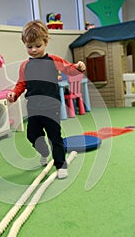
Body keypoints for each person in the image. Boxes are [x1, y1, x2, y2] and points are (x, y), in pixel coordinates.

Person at [7, 20, 86, 179]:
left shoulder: (54, 60)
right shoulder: (25, 66)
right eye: (29, 47)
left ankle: (61, 165)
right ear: (25, 45)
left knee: (54, 136)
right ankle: (43, 152)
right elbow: (21, 83)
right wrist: (14, 94)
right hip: (34, 107)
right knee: (32, 135)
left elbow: (69, 70)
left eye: (38, 45)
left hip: (51, 106)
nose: (34, 50)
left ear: (46, 42)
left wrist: (78, 67)